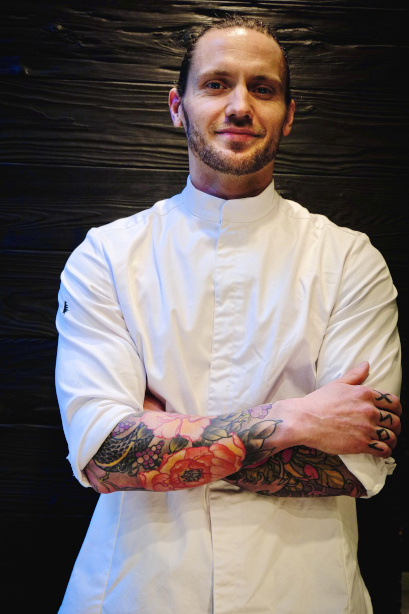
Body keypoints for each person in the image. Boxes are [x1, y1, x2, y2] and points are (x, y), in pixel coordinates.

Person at [55, 15, 402, 614]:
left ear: (288, 115)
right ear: (178, 107)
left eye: (262, 88)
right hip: (137, 589)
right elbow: (106, 458)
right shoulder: (105, 256)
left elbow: (356, 463)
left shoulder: (350, 259)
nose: (239, 106)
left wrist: (163, 438)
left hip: (303, 590)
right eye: (216, 84)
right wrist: (296, 418)